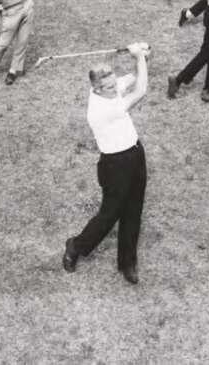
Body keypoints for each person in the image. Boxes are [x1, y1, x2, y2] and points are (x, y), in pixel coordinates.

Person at [62, 41, 150, 286]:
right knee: (109, 215)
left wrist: (142, 56)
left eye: (114, 84)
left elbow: (131, 79)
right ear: (96, 88)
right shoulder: (100, 108)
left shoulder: (110, 87)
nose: (114, 89)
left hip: (135, 154)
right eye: (109, 87)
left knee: (134, 210)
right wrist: (140, 58)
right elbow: (141, 90)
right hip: (115, 165)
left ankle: (127, 263)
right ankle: (75, 246)